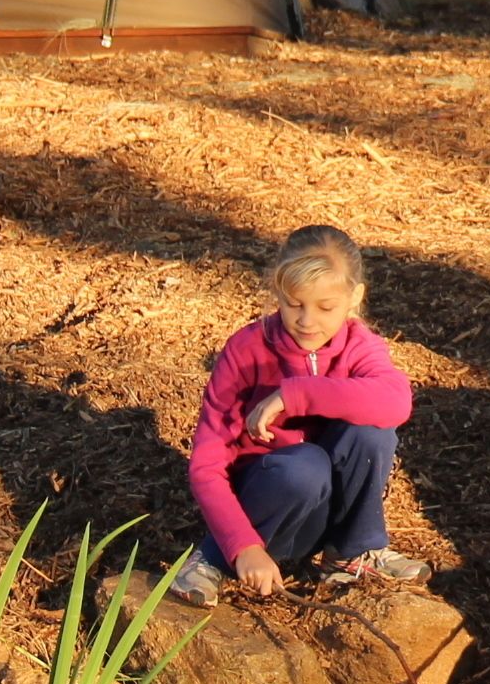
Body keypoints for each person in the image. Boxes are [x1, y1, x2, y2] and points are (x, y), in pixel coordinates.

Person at [172, 226, 422, 604]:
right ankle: (211, 559)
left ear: (354, 298)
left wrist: (295, 396)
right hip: (268, 505)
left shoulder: (359, 346)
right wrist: (242, 546)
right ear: (277, 290)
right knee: (304, 466)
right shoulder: (247, 350)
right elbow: (206, 465)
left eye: (325, 307)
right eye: (294, 303)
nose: (307, 321)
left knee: (373, 434)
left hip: (325, 514)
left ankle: (352, 552)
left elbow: (397, 403)